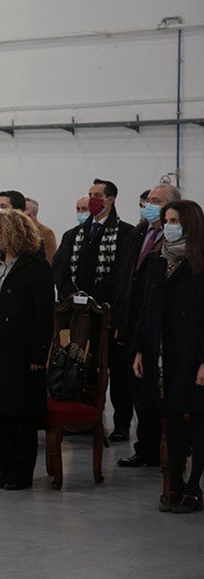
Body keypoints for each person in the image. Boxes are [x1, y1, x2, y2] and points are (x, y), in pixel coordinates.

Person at [0, 208, 54, 490]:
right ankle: (3, 469)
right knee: (0, 411)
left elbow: (44, 315)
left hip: (20, 347)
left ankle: (21, 473)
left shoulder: (36, 268)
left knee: (20, 412)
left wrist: (38, 354)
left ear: (10, 234)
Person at [131, 200, 204, 513]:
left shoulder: (200, 261)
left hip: (194, 353)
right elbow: (146, 309)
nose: (169, 225)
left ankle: (194, 486)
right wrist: (138, 348)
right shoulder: (158, 260)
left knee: (199, 421)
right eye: (166, 220)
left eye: (175, 220)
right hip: (164, 354)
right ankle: (174, 483)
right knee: (171, 420)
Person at [55, 179, 134, 440]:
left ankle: (121, 423)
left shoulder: (125, 234)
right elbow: (61, 270)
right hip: (78, 313)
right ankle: (85, 417)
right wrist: (71, 294)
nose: (92, 200)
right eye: (90, 195)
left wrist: (101, 301)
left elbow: (123, 276)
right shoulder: (74, 234)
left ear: (111, 199)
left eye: (98, 195)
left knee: (118, 369)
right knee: (80, 364)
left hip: (109, 313)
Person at [114, 183, 181, 468]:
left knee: (158, 391)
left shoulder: (175, 240)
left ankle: (168, 447)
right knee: (138, 388)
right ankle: (145, 446)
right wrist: (120, 320)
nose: (148, 205)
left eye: (156, 201)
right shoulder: (137, 233)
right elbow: (123, 277)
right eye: (148, 201)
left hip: (162, 326)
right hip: (134, 321)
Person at [24, 197, 57, 266]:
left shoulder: (46, 233)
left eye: (25, 209)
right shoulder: (18, 231)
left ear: (34, 214)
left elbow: (50, 259)